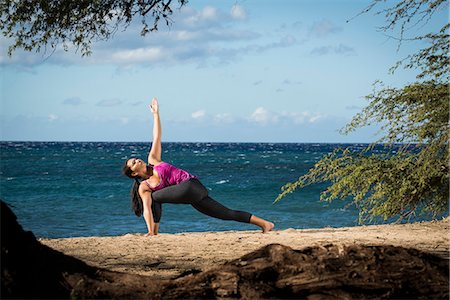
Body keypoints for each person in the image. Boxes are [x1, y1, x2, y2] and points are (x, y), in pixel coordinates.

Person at [123, 97, 275, 236]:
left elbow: (157, 137)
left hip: (192, 186)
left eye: (136, 158)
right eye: (134, 163)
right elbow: (147, 210)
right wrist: (149, 228)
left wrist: (156, 114)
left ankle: (154, 233)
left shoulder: (153, 160)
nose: (138, 160)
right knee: (226, 213)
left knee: (155, 197)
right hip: (193, 197)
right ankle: (265, 224)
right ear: (134, 173)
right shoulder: (144, 187)